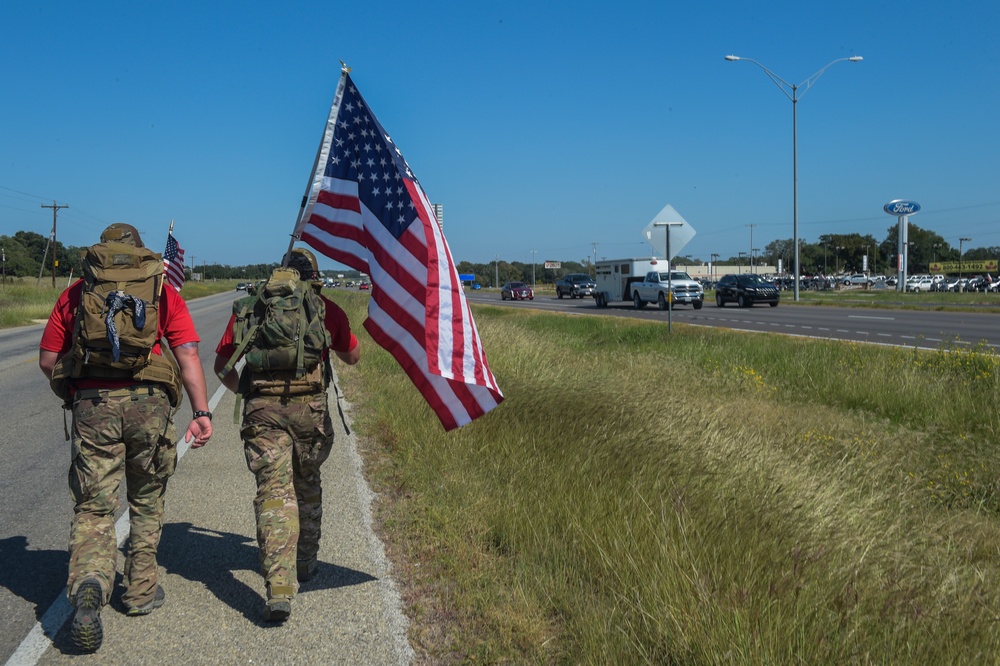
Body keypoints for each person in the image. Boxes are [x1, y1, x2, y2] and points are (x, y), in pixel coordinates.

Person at [39, 223, 213, 653]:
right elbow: (188, 354)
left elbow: (47, 360)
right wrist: (202, 411)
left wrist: (77, 385)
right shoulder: (161, 290)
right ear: (141, 253)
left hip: (94, 404)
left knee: (95, 505)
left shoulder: (79, 292)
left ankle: (91, 582)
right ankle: (139, 593)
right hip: (150, 405)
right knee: (147, 499)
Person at [213, 247, 360, 622]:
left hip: (263, 412)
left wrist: (250, 395)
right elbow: (353, 356)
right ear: (312, 277)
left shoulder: (252, 308)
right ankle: (306, 562)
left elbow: (221, 367)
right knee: (307, 481)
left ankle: (279, 586)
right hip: (310, 412)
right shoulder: (324, 309)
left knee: (273, 492)